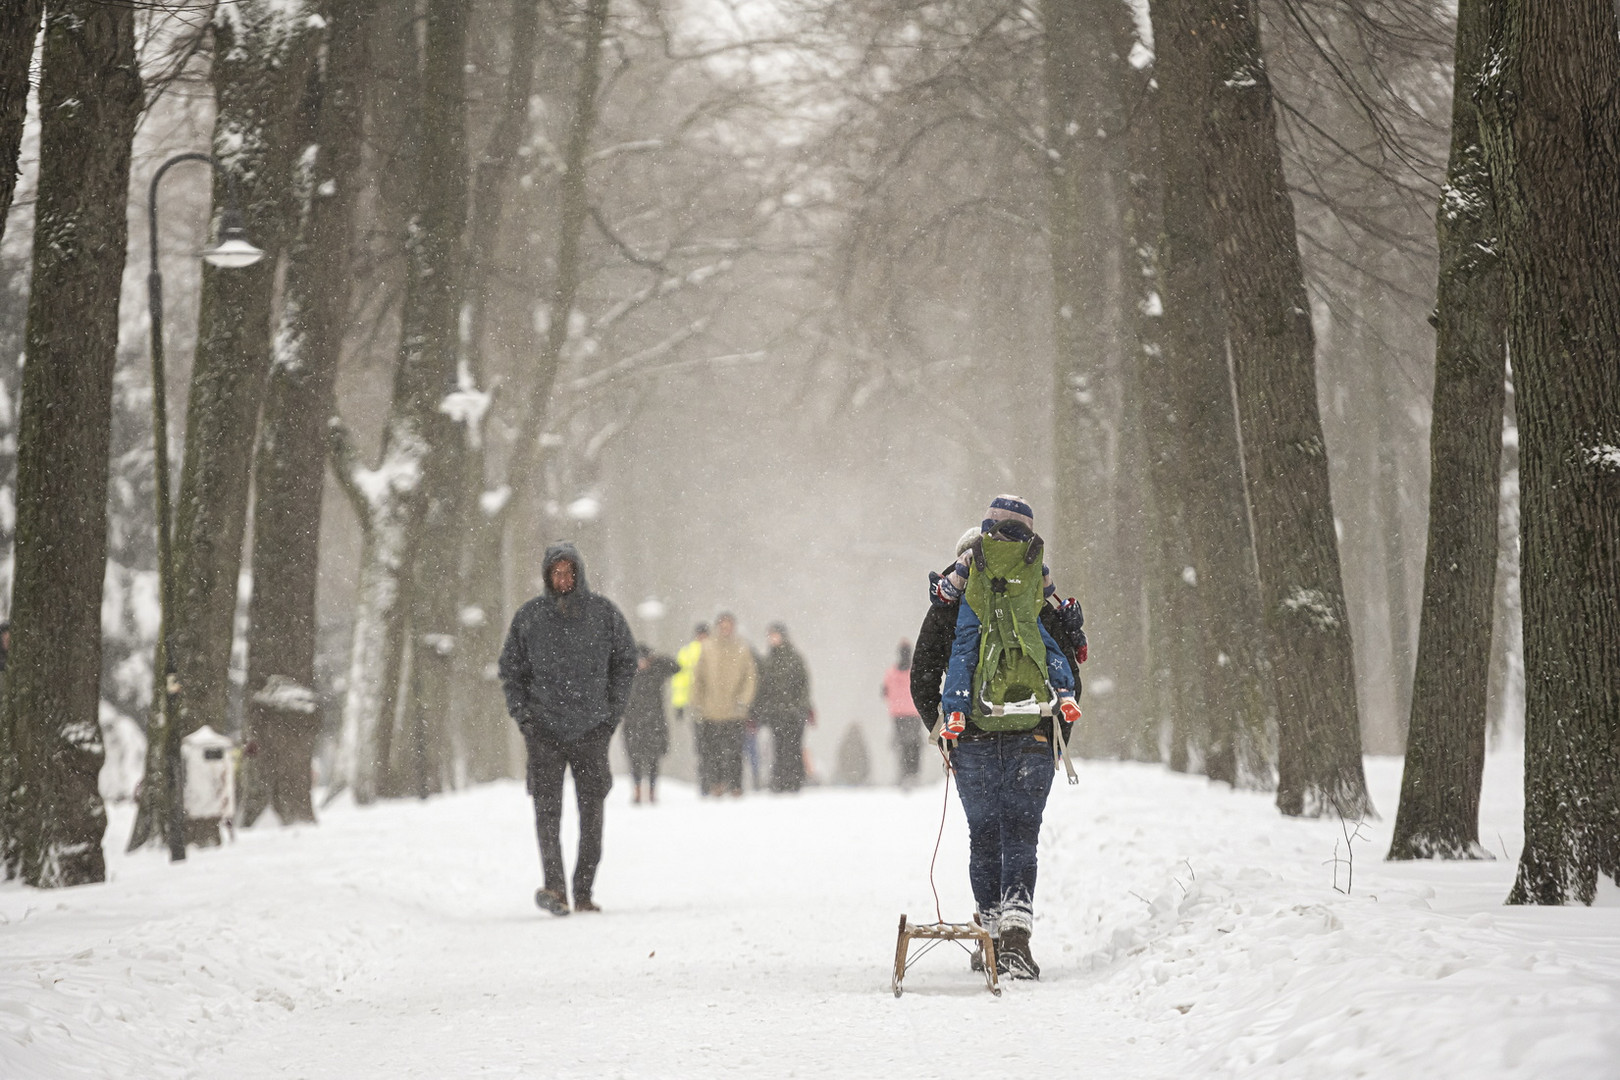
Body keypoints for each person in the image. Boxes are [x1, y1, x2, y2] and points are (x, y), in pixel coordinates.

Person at [912, 499, 1088, 981]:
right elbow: (1067, 664)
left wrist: (943, 730)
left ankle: (988, 938)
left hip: (969, 735)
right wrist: (1056, 735)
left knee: (985, 836)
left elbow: (923, 672)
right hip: (1034, 731)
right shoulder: (1034, 592)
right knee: (1022, 836)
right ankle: (1016, 941)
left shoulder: (951, 603)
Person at [498, 542, 636, 916]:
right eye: (556, 572)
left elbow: (626, 661)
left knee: (592, 813)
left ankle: (584, 889)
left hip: (591, 730)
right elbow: (510, 671)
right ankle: (555, 887)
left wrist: (611, 715)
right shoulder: (529, 618)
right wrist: (524, 717)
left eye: (568, 571)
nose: (563, 578)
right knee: (547, 812)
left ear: (579, 573)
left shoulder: (604, 615)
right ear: (547, 575)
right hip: (543, 731)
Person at [690, 612, 757, 797]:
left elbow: (750, 677)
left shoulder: (742, 648)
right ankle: (717, 783)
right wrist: (696, 702)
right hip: (711, 711)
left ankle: (736, 785)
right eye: (723, 626)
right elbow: (698, 678)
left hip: (735, 711)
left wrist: (743, 701)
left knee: (735, 751)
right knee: (713, 751)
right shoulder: (707, 648)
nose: (726, 630)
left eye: (729, 626)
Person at [753, 622, 813, 793]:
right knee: (778, 747)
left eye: (775, 635)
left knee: (793, 747)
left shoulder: (795, 658)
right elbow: (763, 687)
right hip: (775, 713)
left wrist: (800, 707)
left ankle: (794, 780)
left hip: (794, 713)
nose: (773, 639)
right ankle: (779, 780)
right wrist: (763, 709)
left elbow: (804, 685)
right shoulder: (768, 661)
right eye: (770, 635)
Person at [623, 645, 680, 805]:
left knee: (654, 759)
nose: (641, 663)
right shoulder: (627, 673)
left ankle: (652, 792)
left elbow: (676, 667)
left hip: (654, 722)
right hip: (632, 723)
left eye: (644, 659)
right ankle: (637, 791)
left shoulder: (656, 671)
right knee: (634, 760)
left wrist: (657, 659)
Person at [883, 640, 924, 789]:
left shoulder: (891, 672)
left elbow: (884, 692)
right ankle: (914, 774)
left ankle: (904, 774)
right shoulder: (916, 670)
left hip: (898, 713)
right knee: (914, 744)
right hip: (914, 712)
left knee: (901, 744)